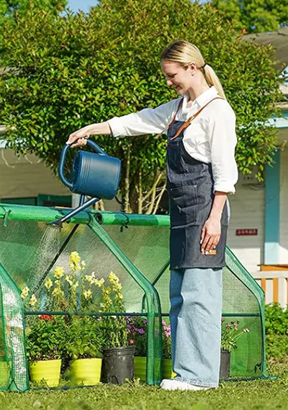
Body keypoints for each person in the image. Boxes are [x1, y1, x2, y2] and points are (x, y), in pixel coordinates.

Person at [66, 40, 238, 391]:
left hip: (207, 211)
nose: (168, 82)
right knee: (180, 293)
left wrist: (214, 218)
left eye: (172, 75)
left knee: (200, 293)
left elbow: (224, 171)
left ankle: (200, 377)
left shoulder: (218, 112)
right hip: (183, 212)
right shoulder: (179, 108)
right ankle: (188, 373)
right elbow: (136, 122)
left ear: (191, 68)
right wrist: (89, 130)